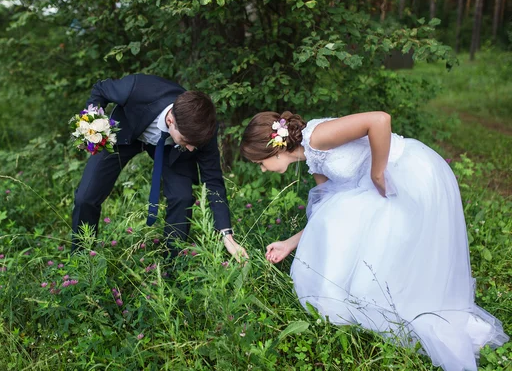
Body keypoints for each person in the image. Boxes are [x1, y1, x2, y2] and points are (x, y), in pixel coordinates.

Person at [240, 111, 508, 371]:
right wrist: (289, 243)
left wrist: (377, 173)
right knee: (347, 232)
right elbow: (327, 214)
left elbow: (380, 120)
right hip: (379, 188)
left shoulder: (317, 137)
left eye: (260, 164)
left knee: (385, 252)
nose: (263, 170)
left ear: (274, 150)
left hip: (406, 171)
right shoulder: (314, 160)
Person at [72, 74, 247, 261]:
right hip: (125, 134)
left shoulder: (203, 130)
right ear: (171, 120)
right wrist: (90, 124)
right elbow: (100, 88)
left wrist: (226, 234)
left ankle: (172, 264)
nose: (191, 149)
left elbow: (213, 180)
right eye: (187, 141)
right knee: (85, 197)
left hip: (170, 149)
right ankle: (82, 258)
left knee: (182, 197)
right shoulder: (136, 89)